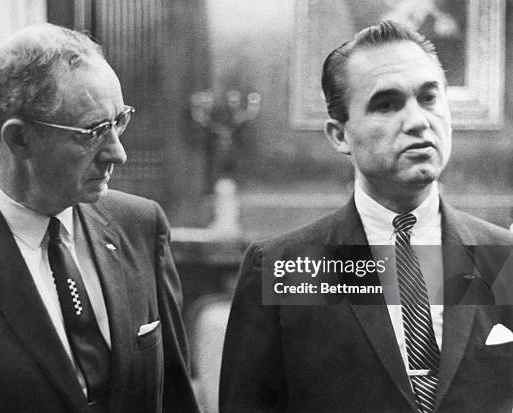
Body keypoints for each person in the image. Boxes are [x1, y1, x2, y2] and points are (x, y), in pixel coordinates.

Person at [0, 24, 199, 413]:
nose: (118, 153)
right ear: (19, 139)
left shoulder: (140, 225)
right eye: (93, 131)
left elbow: (175, 395)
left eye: (119, 121)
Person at [220, 21, 513, 413]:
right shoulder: (286, 267)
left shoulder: (502, 256)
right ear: (339, 135)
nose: (417, 122)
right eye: (386, 104)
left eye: (429, 98)